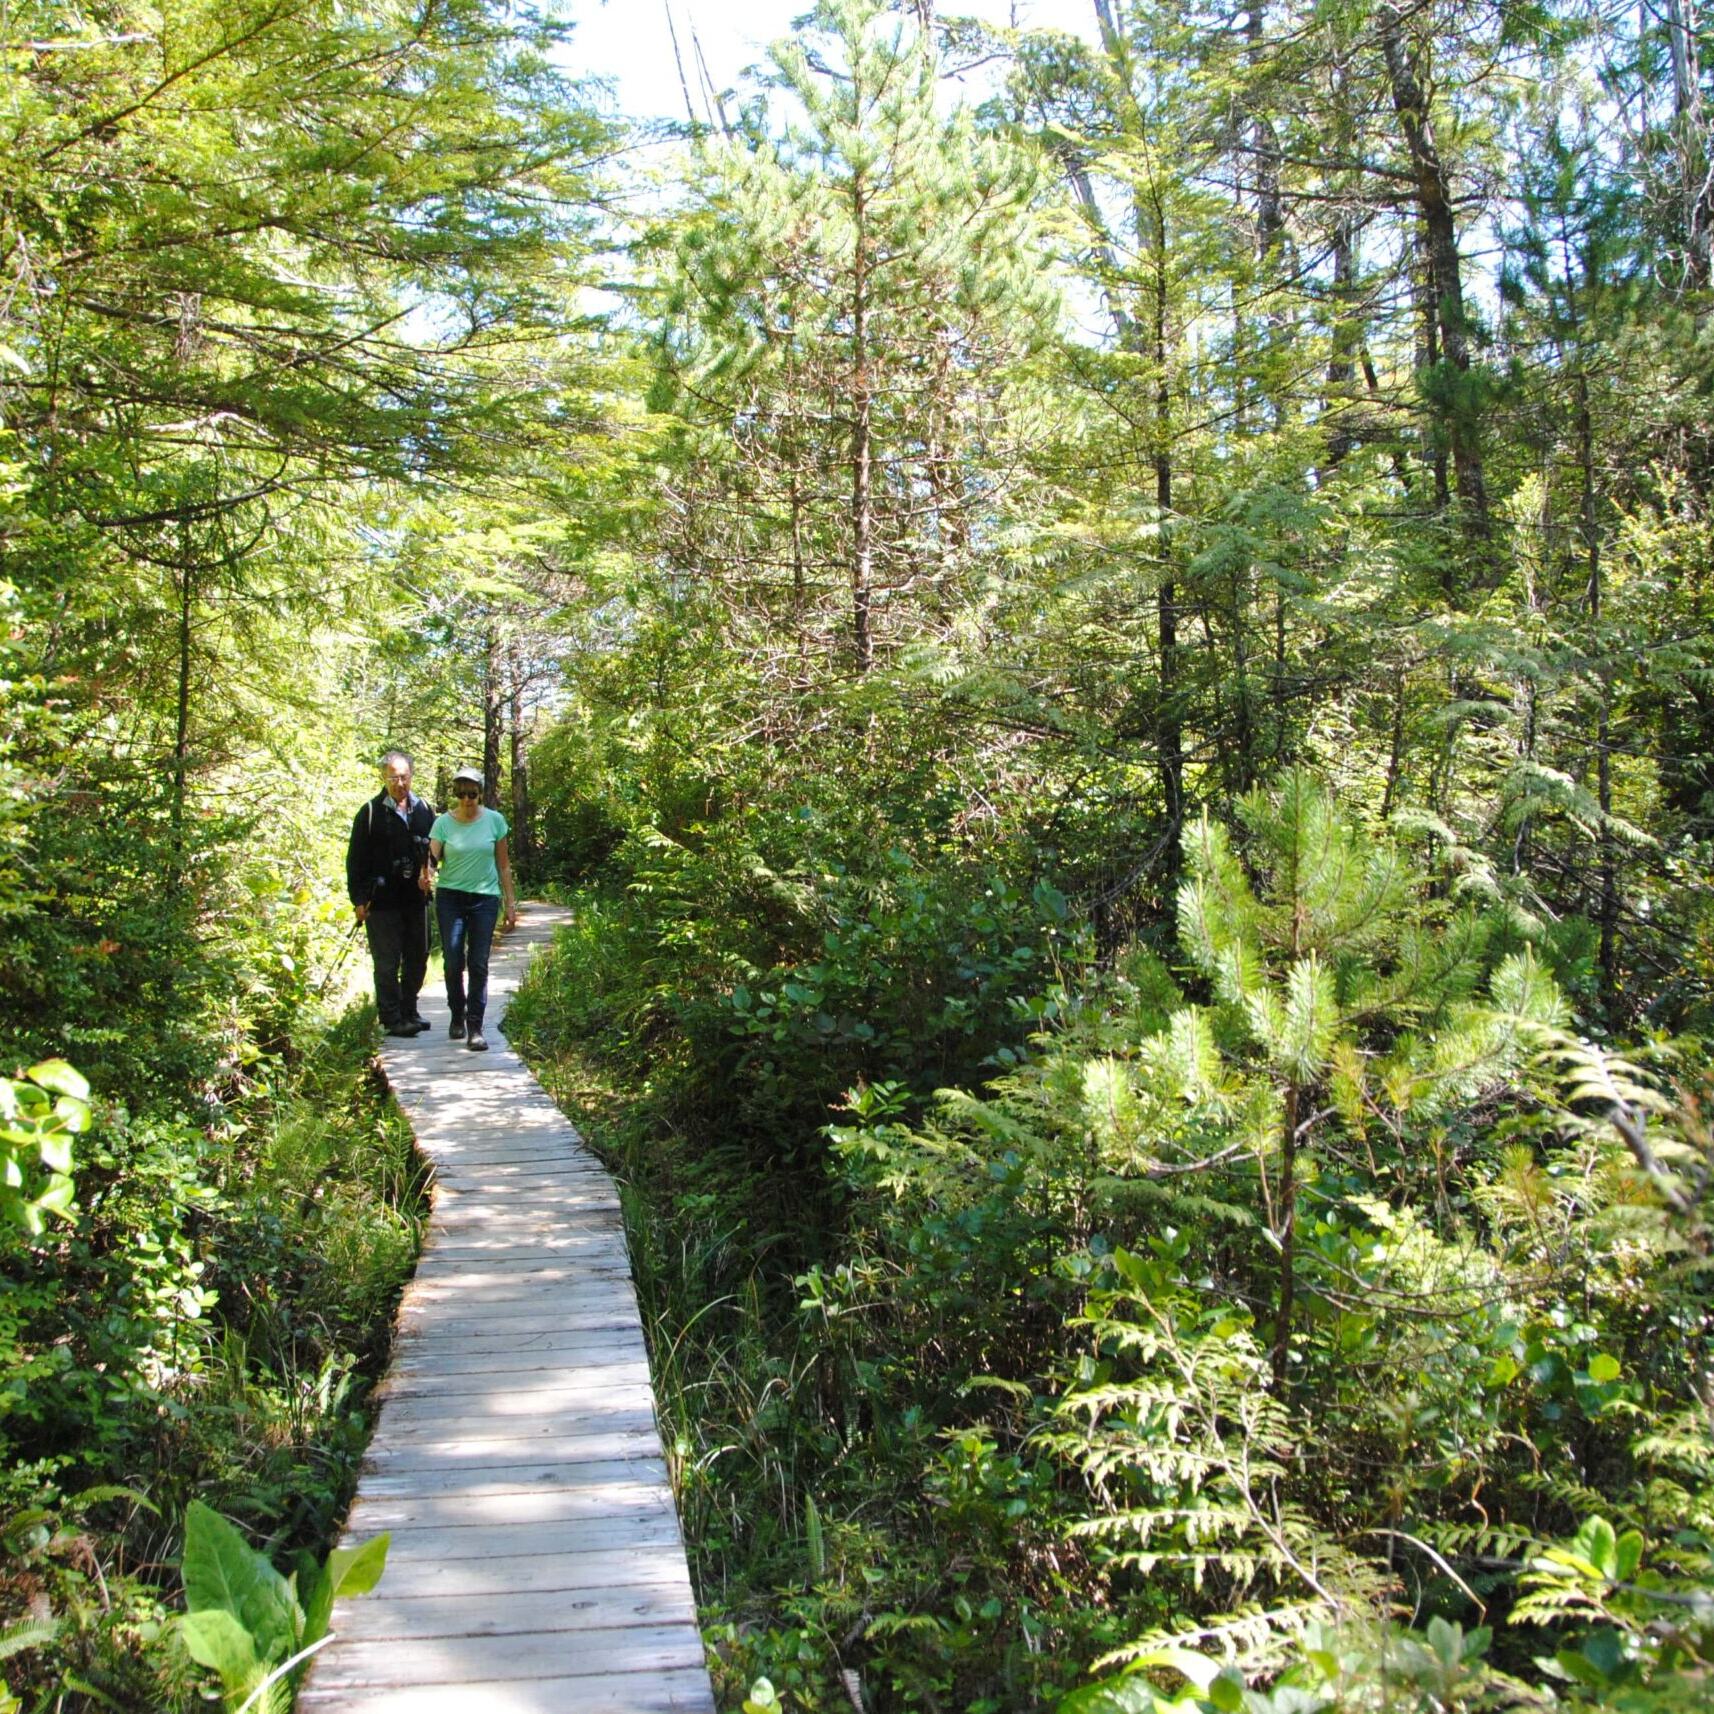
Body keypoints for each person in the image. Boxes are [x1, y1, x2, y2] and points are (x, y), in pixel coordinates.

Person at [425, 766, 517, 1052]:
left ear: (480, 794)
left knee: (478, 962)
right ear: (456, 794)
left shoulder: (495, 821)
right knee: (453, 960)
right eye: (462, 794)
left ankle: (475, 1027)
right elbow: (431, 856)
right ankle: (457, 1014)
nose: (467, 800)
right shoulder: (443, 823)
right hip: (451, 897)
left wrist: (510, 903)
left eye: (472, 794)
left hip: (485, 899)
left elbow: (503, 865)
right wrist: (426, 873)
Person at [346, 751, 437, 1038]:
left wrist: (429, 873)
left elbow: (435, 850)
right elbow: (355, 860)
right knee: (386, 961)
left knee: (418, 956)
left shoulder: (424, 809)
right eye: (394, 777)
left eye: (404, 776)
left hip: (416, 898)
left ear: (412, 775)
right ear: (383, 778)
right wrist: (359, 900)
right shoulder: (370, 812)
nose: (400, 783)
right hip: (382, 900)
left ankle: (409, 1009)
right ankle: (391, 1017)